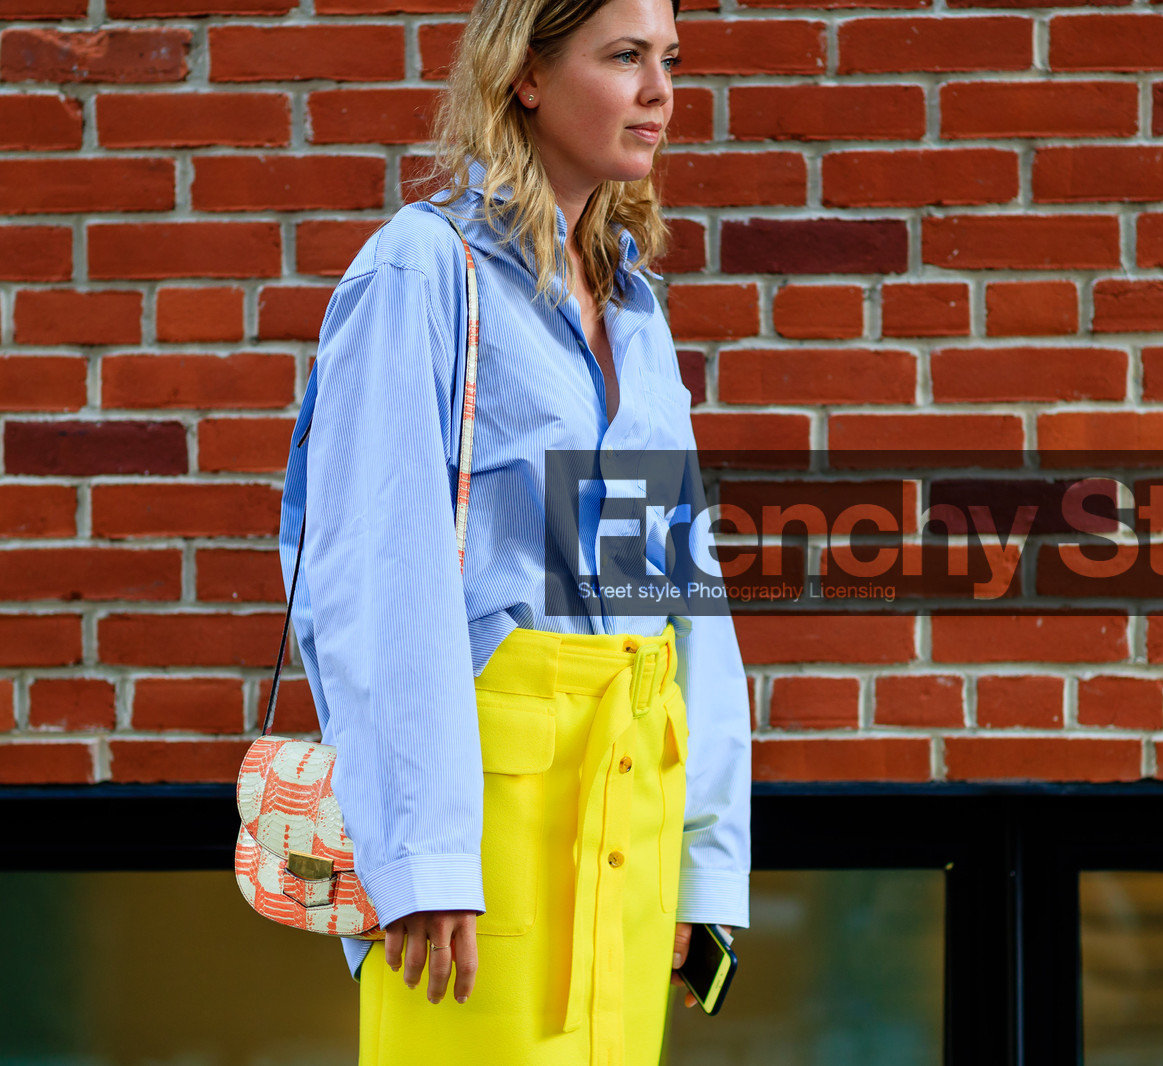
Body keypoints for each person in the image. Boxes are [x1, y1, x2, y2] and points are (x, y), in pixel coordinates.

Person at [277, 0, 750, 1058]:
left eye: (668, 59)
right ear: (524, 75)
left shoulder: (631, 300)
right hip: (486, 833)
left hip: (628, 812)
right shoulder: (420, 270)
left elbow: (670, 584)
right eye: (623, 57)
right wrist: (422, 852)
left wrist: (701, 855)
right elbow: (374, 568)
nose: (659, 91)